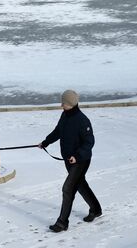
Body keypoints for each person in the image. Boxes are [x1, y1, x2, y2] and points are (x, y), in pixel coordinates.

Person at [39, 89, 102, 232]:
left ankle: (62, 222)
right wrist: (45, 142)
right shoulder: (65, 115)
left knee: (68, 188)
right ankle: (96, 209)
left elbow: (89, 142)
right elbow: (58, 131)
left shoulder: (82, 120)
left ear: (71, 104)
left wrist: (78, 156)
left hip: (81, 161)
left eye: (64, 103)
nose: (62, 105)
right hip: (69, 160)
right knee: (80, 185)